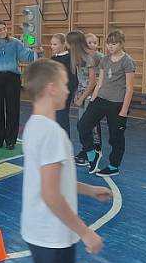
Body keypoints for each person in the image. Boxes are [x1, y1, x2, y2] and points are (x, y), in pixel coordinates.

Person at [21, 58, 113, 263]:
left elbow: (54, 181)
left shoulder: (33, 125)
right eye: (64, 84)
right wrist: (86, 232)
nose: (68, 90)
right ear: (51, 88)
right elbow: (52, 195)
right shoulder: (53, 134)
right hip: (53, 236)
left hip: (37, 231)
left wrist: (88, 190)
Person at [78, 29, 136, 177]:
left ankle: (114, 166)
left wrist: (124, 111)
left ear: (121, 44)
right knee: (83, 125)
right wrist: (93, 99)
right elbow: (100, 82)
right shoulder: (105, 60)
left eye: (114, 44)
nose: (110, 46)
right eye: (108, 44)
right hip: (100, 99)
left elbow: (129, 89)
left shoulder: (127, 61)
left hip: (117, 103)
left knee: (116, 136)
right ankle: (92, 155)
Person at [0, 20, 37, 150]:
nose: (3, 31)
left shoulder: (15, 43)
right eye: (0, 29)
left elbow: (27, 55)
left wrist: (36, 51)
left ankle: (11, 140)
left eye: (4, 28)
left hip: (12, 78)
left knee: (13, 109)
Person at [66, 31, 97, 167]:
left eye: (68, 42)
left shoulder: (89, 58)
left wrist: (82, 97)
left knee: (86, 126)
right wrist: (77, 95)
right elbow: (80, 80)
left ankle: (91, 153)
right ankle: (86, 150)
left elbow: (92, 82)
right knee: (81, 125)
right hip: (82, 95)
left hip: (91, 96)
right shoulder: (77, 58)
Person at [50, 33, 77, 137]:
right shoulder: (53, 58)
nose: (52, 47)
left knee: (62, 118)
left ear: (63, 44)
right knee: (55, 118)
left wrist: (67, 92)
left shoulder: (69, 58)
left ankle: (64, 142)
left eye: (55, 44)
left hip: (64, 93)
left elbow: (73, 78)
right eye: (52, 44)